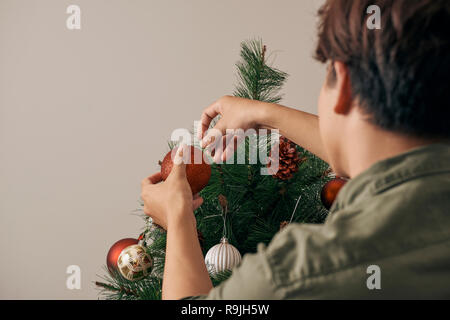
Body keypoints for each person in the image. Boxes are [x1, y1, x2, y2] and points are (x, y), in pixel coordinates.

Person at [141, 0, 450, 299]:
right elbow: (376, 154)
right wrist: (265, 114)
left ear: (343, 83)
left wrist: (178, 216)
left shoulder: (299, 275)